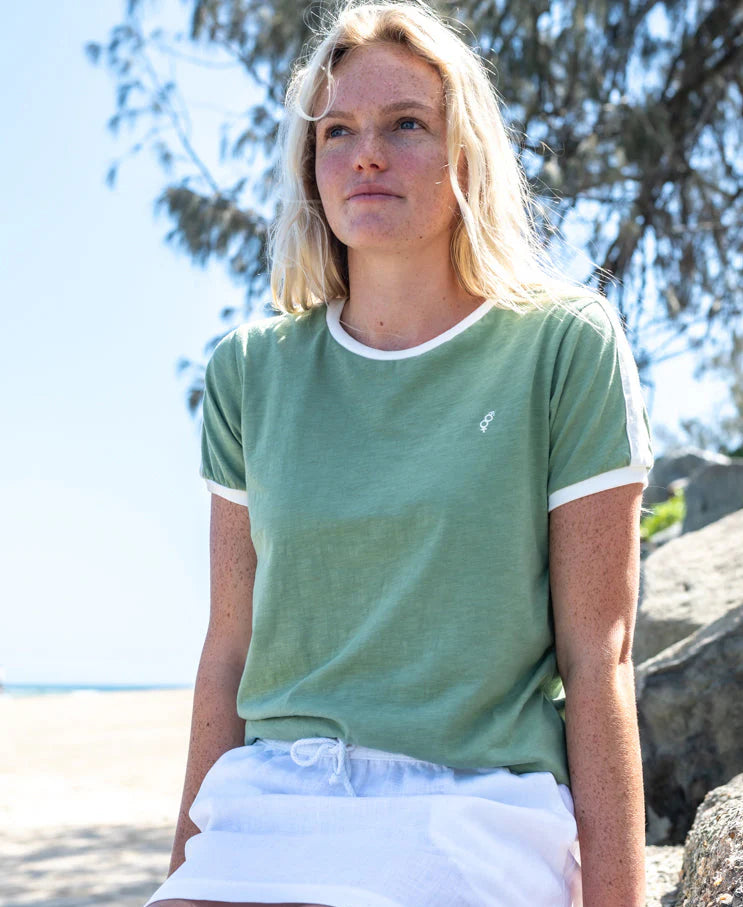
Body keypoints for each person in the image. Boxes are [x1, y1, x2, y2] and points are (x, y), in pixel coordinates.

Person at [144, 1, 653, 905]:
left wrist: (617, 897)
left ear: (466, 156)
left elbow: (596, 652)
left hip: (473, 804)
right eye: (336, 131)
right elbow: (228, 649)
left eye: (405, 125)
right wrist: (188, 872)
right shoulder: (250, 370)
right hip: (273, 799)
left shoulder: (563, 345)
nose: (365, 154)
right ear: (311, 167)